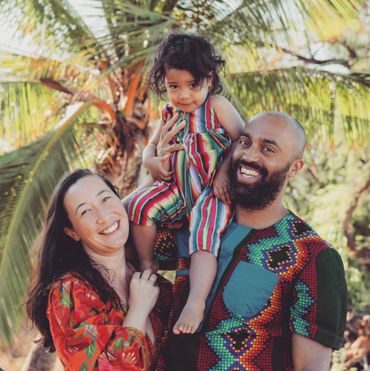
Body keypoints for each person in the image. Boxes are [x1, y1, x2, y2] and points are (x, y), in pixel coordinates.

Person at [161, 112, 348, 370]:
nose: (249, 156)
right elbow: (109, 239)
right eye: (245, 142)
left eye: (268, 149)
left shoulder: (312, 256)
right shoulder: (195, 224)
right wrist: (155, 163)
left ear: (294, 168)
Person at [128, 33, 244, 335]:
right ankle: (147, 263)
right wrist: (150, 161)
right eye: (173, 86)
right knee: (140, 206)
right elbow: (149, 149)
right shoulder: (170, 113)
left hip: (211, 193)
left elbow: (241, 142)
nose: (183, 95)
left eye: (193, 85)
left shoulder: (217, 107)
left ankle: (196, 300)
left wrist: (223, 173)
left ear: (209, 79)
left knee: (203, 238)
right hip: (177, 189)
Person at [26, 169, 172, 370]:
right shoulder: (70, 291)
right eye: (85, 211)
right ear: (72, 232)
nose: (103, 216)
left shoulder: (152, 281)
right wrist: (138, 311)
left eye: (105, 199)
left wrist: (153, 160)